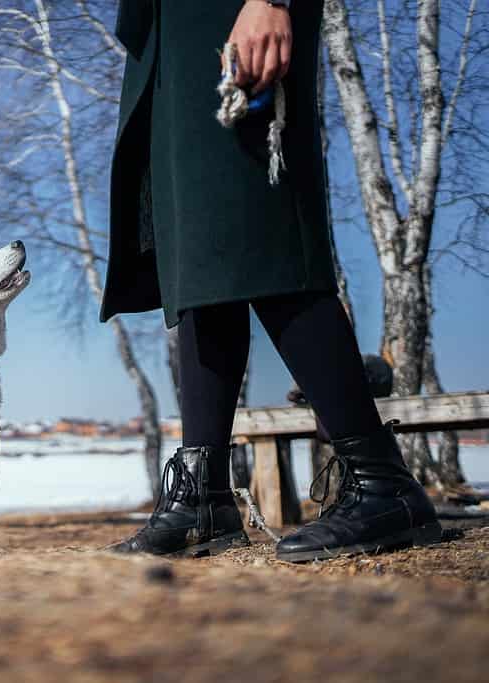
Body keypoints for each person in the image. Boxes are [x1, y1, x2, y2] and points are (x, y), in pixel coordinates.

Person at [101, 0, 442, 561]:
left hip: (230, 12)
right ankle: (202, 496)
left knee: (262, 220)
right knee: (196, 253)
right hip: (169, 33)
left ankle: (383, 484)